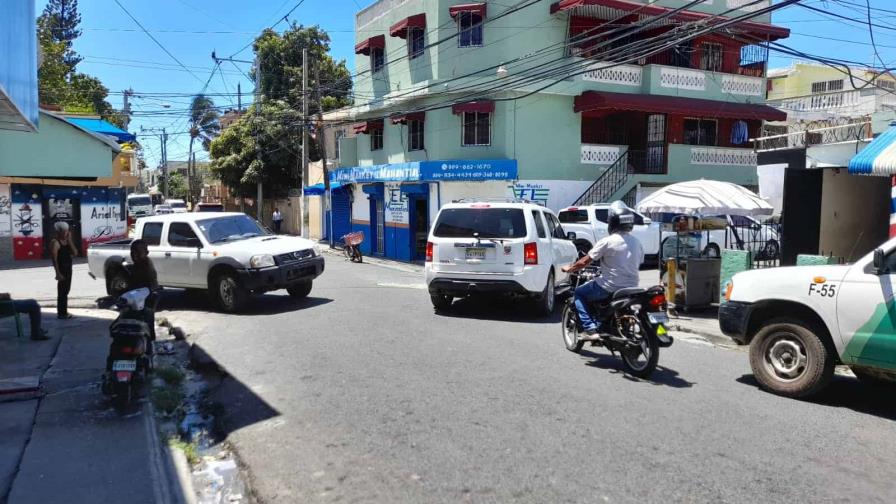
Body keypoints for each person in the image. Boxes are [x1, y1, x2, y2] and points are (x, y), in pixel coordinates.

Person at [562, 201, 644, 340]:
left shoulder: (608, 241)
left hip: (610, 286)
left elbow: (586, 261)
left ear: (612, 222)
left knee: (579, 293)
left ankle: (590, 329)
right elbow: (638, 262)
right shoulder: (637, 242)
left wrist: (570, 268)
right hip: (632, 287)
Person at [127, 239, 159, 347]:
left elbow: (150, 285)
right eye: (132, 252)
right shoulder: (137, 265)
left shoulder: (146, 266)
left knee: (148, 326)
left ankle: (150, 347)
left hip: (147, 300)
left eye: (138, 252)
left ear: (146, 253)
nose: (134, 255)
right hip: (137, 299)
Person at [50, 221, 78, 320]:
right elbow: (54, 259)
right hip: (62, 270)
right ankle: (62, 313)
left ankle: (64, 311)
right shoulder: (55, 242)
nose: (67, 233)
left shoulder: (66, 242)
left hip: (68, 269)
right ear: (59, 232)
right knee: (62, 292)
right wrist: (57, 273)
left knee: (66, 291)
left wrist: (69, 240)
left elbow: (75, 253)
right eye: (65, 231)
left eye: (67, 231)